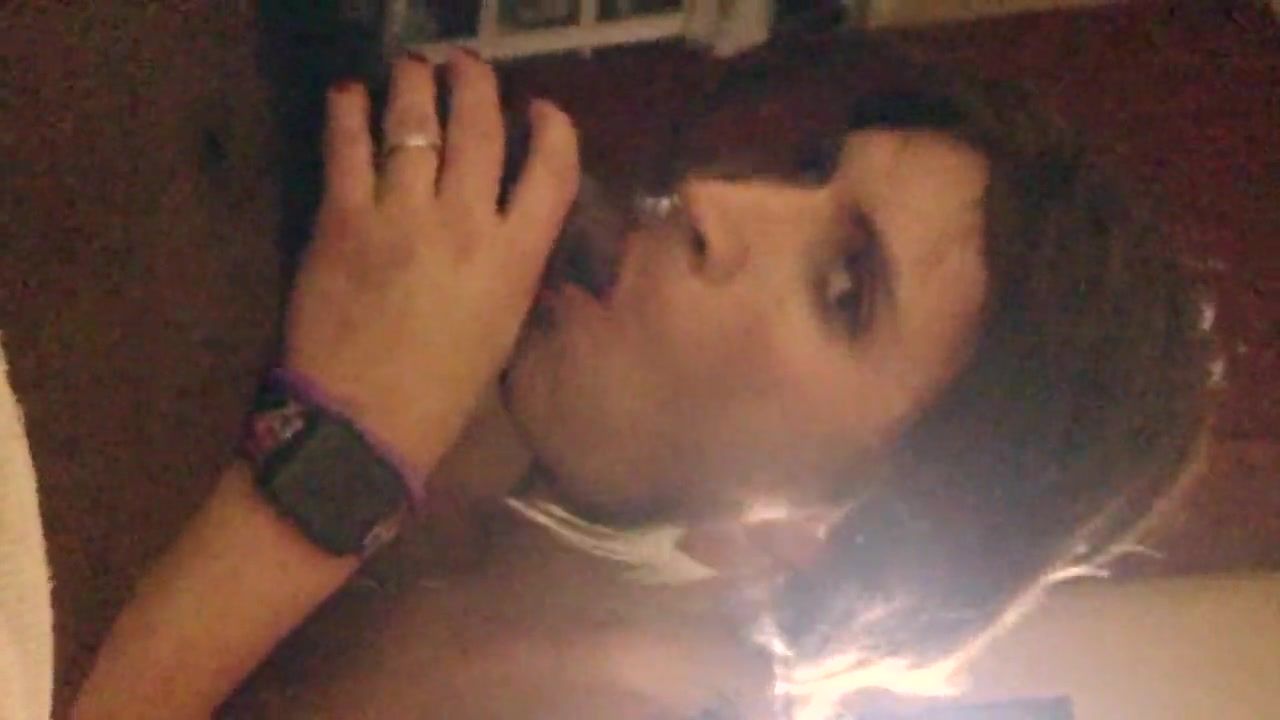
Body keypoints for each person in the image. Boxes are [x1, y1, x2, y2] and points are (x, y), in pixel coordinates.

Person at [67, 31, 1210, 720]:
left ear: (829, 534)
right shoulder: (519, 480)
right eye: (808, 172)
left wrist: (335, 468)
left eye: (841, 289)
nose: (717, 199)